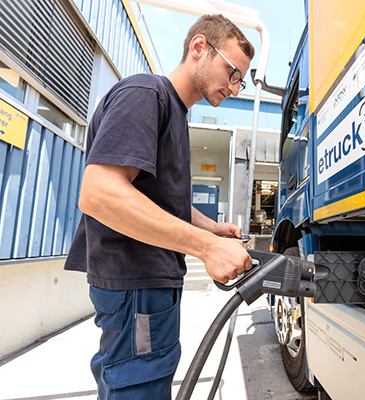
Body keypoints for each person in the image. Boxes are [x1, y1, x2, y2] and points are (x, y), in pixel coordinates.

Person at [64, 14, 254, 400]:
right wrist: (207, 248)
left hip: (149, 285)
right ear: (199, 47)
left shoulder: (173, 113)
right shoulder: (145, 93)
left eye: (241, 80)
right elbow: (99, 193)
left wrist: (210, 229)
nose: (235, 88)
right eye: (232, 72)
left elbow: (159, 198)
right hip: (137, 284)